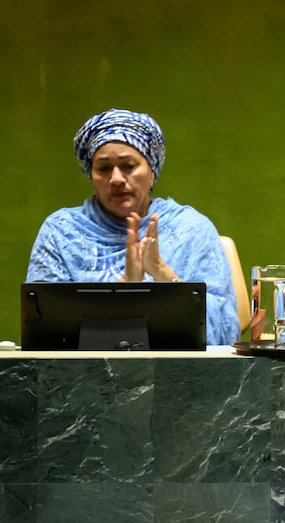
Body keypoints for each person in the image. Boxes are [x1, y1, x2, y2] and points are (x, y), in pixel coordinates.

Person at [26, 108, 240, 346]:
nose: (116, 179)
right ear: (91, 175)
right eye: (104, 168)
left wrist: (162, 274)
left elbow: (225, 334)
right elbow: (43, 336)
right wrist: (125, 288)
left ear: (151, 173)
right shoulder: (61, 232)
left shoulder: (191, 229)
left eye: (128, 166)